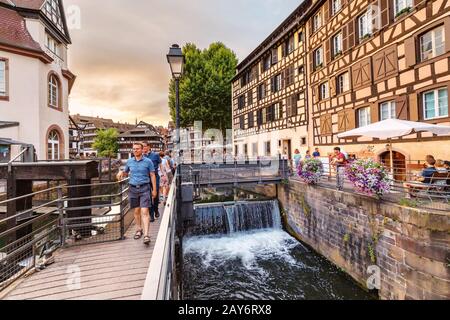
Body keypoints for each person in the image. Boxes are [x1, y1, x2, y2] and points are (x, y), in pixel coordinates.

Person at [117, 143, 157, 246]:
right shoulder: (130, 161)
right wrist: (121, 172)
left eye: (137, 149)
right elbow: (126, 172)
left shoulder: (148, 161)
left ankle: (147, 235)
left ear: (142, 150)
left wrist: (154, 190)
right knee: (136, 211)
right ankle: (139, 229)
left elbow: (152, 175)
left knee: (144, 211)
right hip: (133, 188)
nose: (135, 150)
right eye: (134, 149)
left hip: (145, 188)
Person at [143, 142, 162, 222]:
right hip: (146, 178)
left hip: (155, 177)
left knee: (156, 195)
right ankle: (151, 215)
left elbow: (161, 164)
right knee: (148, 196)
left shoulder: (155, 155)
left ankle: (156, 209)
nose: (143, 148)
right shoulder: (142, 157)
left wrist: (163, 174)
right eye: (142, 147)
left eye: (144, 146)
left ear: (148, 147)